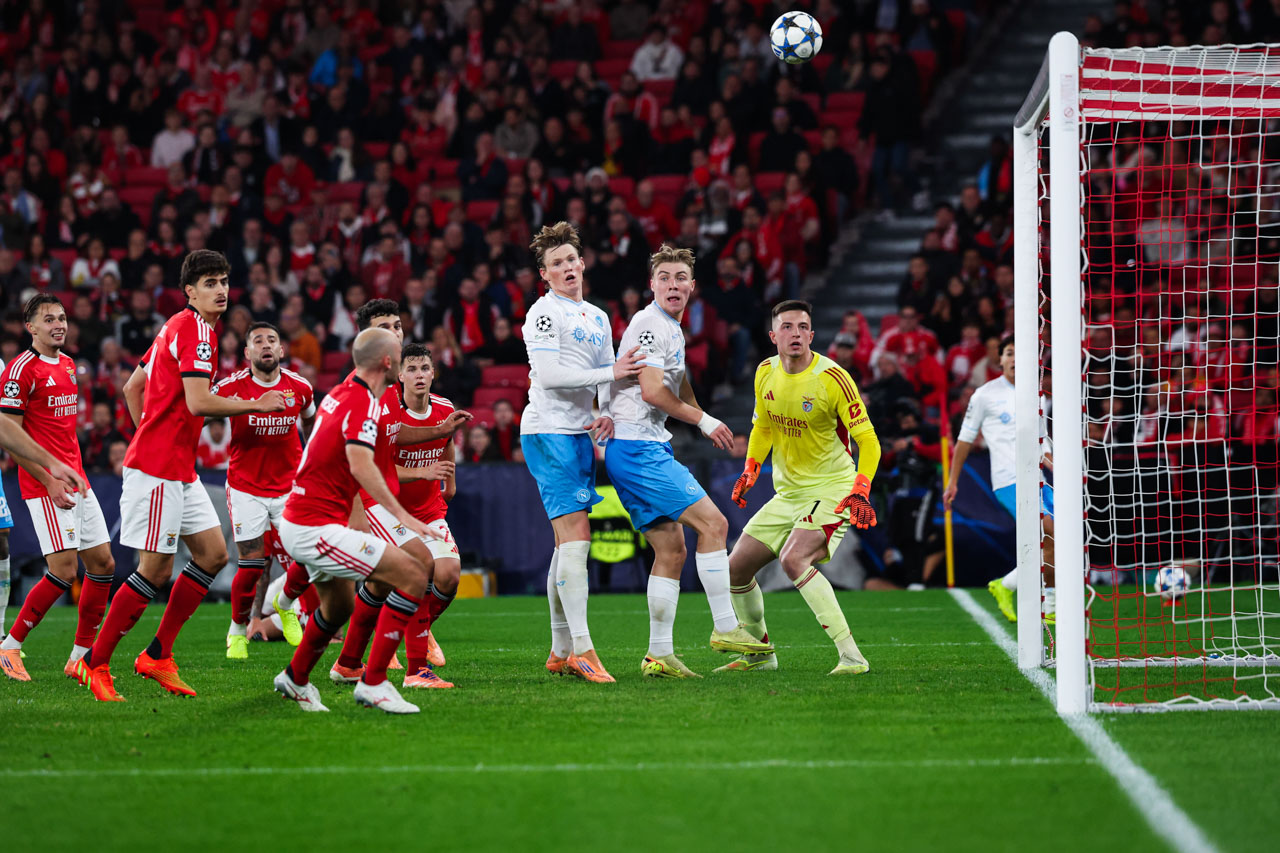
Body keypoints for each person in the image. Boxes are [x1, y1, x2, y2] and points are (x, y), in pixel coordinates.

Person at [72, 250, 288, 703]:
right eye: (210, 282)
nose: (222, 289)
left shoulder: (180, 326)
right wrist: (256, 404)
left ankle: (157, 654)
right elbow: (198, 402)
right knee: (153, 570)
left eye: (225, 280)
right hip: (157, 470)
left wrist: (149, 434)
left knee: (210, 554)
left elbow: (134, 387)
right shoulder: (195, 331)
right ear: (190, 291)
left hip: (176, 468)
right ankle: (95, 662)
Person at [270, 300, 470, 686]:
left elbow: (393, 436)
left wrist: (440, 433)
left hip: (325, 509)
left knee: (366, 591)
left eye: (397, 326)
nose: (396, 335)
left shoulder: (384, 389)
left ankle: (342, 664)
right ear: (368, 342)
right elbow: (360, 464)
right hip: (352, 505)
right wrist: (377, 511)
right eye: (385, 328)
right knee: (416, 568)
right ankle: (410, 670)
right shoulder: (363, 397)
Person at [604, 246, 771, 678]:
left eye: (681, 277)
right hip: (637, 449)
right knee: (714, 526)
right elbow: (654, 393)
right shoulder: (648, 324)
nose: (674, 284)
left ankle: (658, 654)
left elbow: (678, 384)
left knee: (672, 550)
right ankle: (725, 627)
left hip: (643, 448)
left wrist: (705, 418)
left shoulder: (671, 330)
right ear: (652, 284)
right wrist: (704, 420)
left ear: (692, 287)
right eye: (665, 277)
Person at [724, 300, 881, 675]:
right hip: (789, 492)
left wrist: (860, 488)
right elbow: (762, 425)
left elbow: (870, 442)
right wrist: (751, 467)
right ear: (773, 335)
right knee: (735, 569)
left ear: (812, 335)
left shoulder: (833, 379)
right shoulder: (765, 372)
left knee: (794, 559)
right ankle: (760, 655)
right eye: (788, 327)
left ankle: (852, 656)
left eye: (802, 327)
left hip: (833, 488)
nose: (795, 334)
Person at [522, 222, 643, 683]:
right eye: (557, 264)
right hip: (548, 429)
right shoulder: (544, 314)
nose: (567, 268)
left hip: (576, 433)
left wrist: (607, 410)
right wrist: (607, 376)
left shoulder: (594, 315)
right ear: (545, 273)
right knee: (576, 541)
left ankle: (559, 649)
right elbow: (550, 376)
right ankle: (584, 648)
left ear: (583, 263)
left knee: (567, 544)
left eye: (572, 259)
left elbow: (608, 373)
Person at [0, 296, 115, 682]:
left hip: (76, 479)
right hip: (43, 484)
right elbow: (11, 438)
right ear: (30, 327)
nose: (59, 325)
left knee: (103, 565)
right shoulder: (19, 372)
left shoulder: (67, 364)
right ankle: (10, 646)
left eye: (62, 318)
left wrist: (73, 474)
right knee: (63, 571)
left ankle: (80, 656)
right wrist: (48, 480)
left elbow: (62, 432)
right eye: (48, 319)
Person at [212, 322, 316, 661]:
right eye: (258, 341)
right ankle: (237, 630)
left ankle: (284, 606)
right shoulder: (230, 387)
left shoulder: (300, 387)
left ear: (282, 350)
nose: (266, 345)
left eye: (272, 340)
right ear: (247, 353)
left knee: (305, 557)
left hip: (290, 487)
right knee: (252, 564)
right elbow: (197, 412)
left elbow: (311, 425)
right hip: (247, 487)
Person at [943, 335, 1056, 623]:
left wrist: (1056, 467)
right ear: (1000, 359)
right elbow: (965, 440)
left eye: (1021, 353)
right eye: (1009, 353)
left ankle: (1013, 588)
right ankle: (1035, 597)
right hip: (1008, 480)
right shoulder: (985, 395)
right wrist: (953, 482)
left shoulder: (1038, 395)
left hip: (1038, 477)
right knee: (1048, 531)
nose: (1015, 358)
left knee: (1059, 538)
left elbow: (1043, 443)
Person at [393, 344, 461, 687]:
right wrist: (424, 472)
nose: (419, 375)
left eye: (425, 368)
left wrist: (448, 480)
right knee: (415, 573)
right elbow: (378, 468)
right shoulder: (390, 412)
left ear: (433, 373)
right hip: (391, 510)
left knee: (448, 574)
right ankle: (410, 657)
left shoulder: (445, 408)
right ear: (400, 375)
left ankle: (421, 629)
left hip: (429, 508)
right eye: (413, 369)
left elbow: (447, 438)